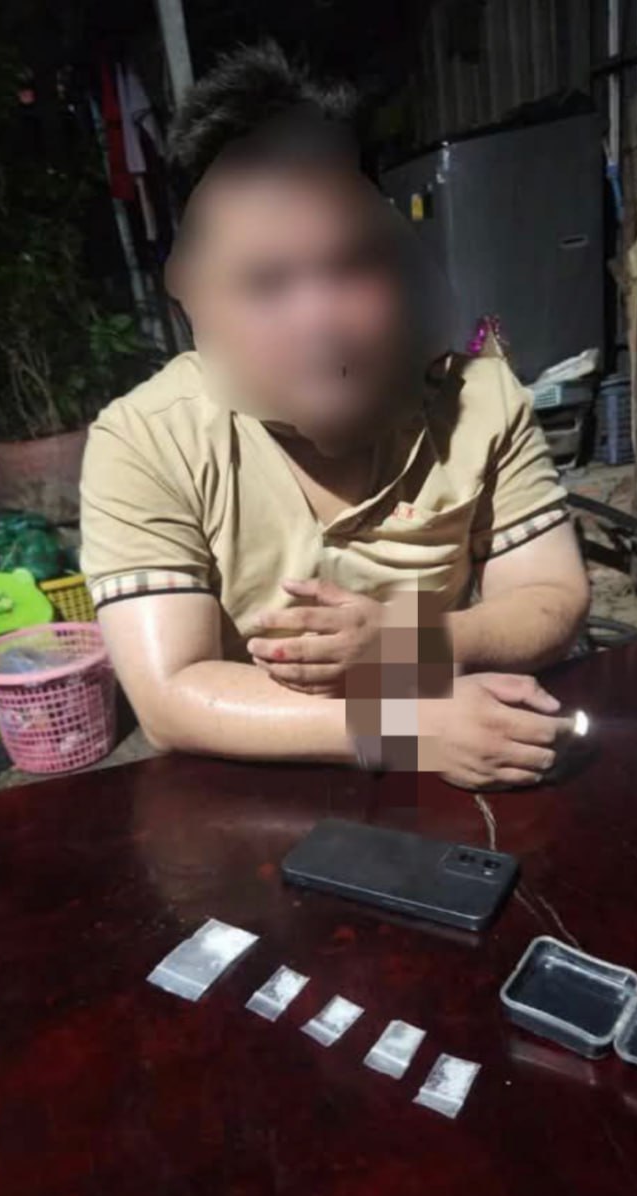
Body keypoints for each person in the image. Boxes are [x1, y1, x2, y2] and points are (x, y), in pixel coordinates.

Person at [80, 42, 591, 790]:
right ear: (197, 293)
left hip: (466, 768)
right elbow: (170, 696)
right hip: (258, 792)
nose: (319, 321)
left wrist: (408, 648)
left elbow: (553, 599)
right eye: (265, 282)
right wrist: (406, 725)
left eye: (352, 266)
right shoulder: (145, 441)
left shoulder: (480, 400)